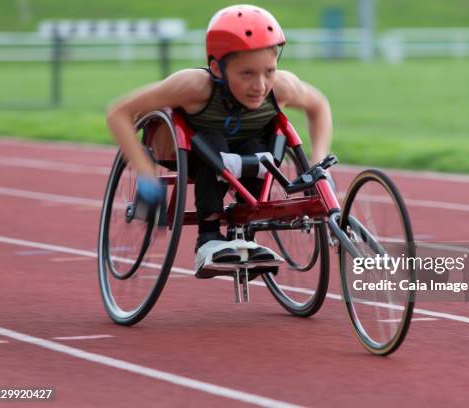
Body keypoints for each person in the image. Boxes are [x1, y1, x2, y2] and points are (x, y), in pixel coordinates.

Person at [106, 4, 333, 277]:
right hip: (195, 149)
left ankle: (247, 234)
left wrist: (318, 161)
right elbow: (118, 113)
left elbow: (318, 105)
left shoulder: (282, 87)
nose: (260, 85)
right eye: (246, 73)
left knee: (258, 148)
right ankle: (209, 237)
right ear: (216, 67)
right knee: (213, 143)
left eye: (269, 71)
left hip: (249, 151)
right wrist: (144, 171)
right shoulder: (194, 86)